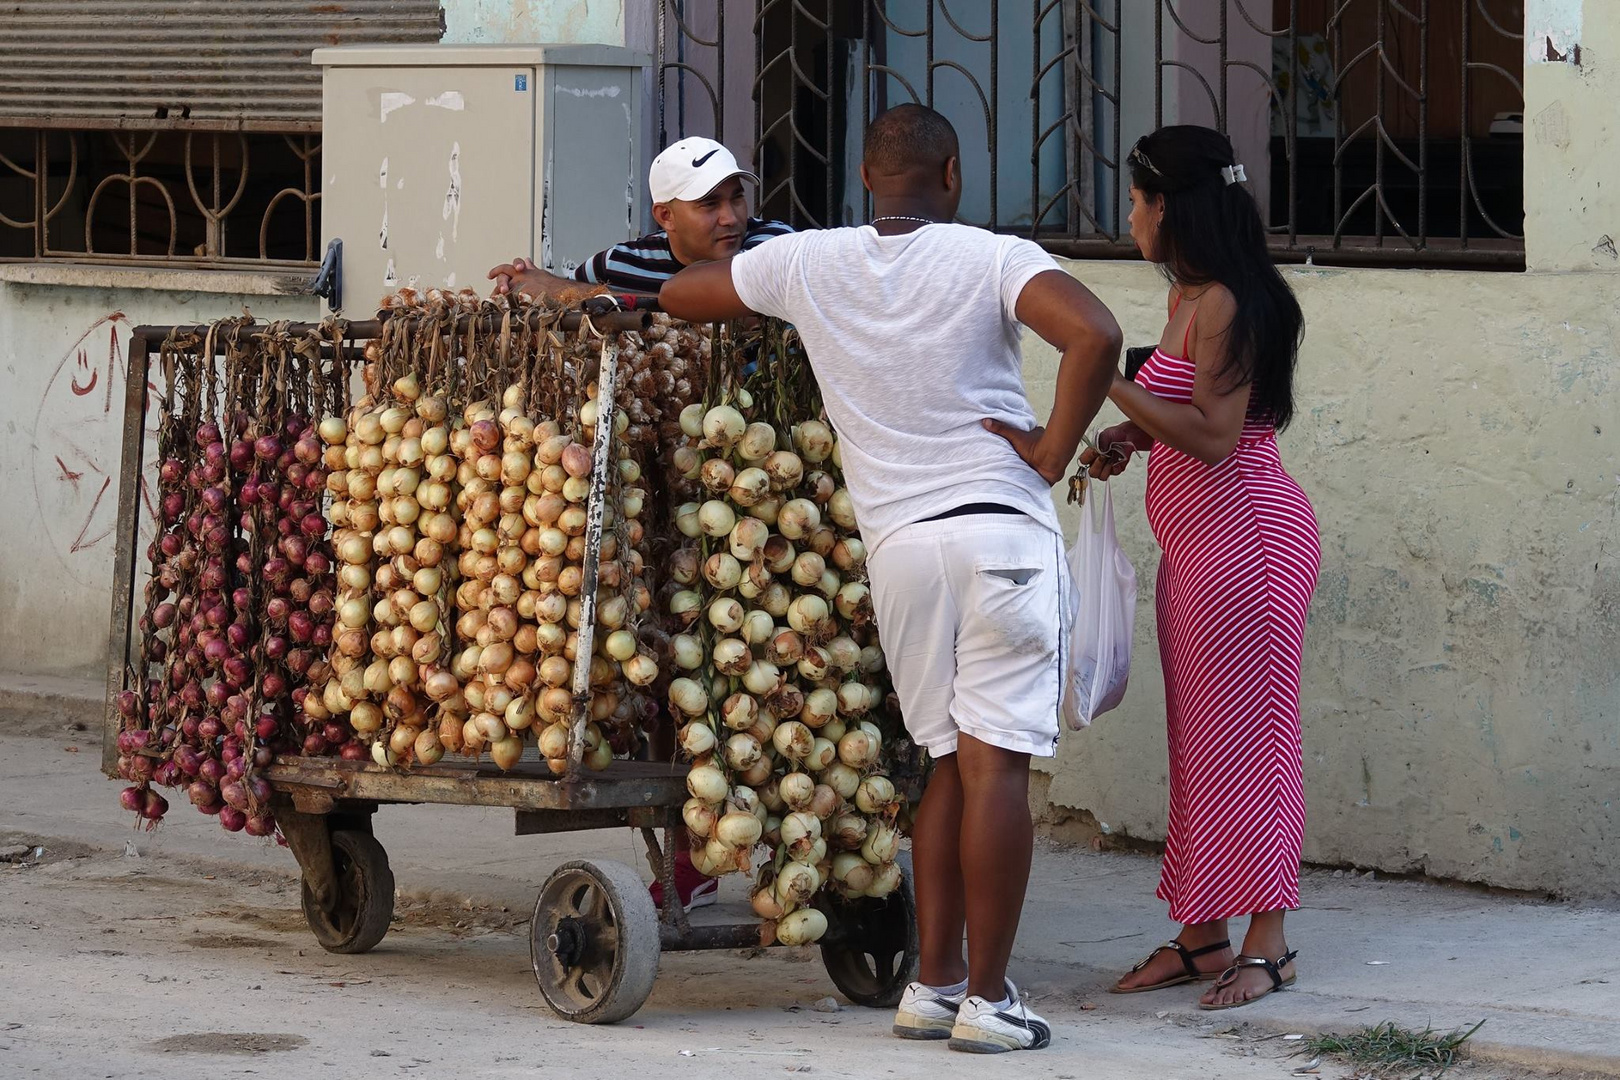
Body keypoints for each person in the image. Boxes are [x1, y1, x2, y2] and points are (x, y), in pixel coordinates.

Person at [660, 104, 1122, 1054]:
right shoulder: (992, 257)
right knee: (1000, 769)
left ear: (867, 180)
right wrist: (1048, 449)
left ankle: (935, 986)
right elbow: (1097, 334)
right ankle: (991, 1002)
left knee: (944, 765)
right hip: (998, 534)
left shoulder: (811, 263)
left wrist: (645, 271)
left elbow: (687, 295)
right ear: (952, 173)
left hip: (901, 553)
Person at [1079, 125, 1319, 1011]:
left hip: (1247, 546)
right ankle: (1201, 935)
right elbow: (1182, 408)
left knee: (1252, 742)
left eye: (1139, 200)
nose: (1131, 215)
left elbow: (1220, 438)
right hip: (1199, 551)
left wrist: (1108, 380)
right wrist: (1128, 435)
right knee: (1203, 741)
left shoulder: (1226, 302)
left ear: (1171, 206)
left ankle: (1271, 942)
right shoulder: (1192, 298)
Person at [488, 136, 793, 302]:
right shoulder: (615, 265)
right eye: (709, 204)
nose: (731, 218)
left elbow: (726, 311)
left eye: (736, 198)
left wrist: (560, 290)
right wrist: (522, 287)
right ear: (666, 216)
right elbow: (561, 302)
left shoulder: (772, 246)